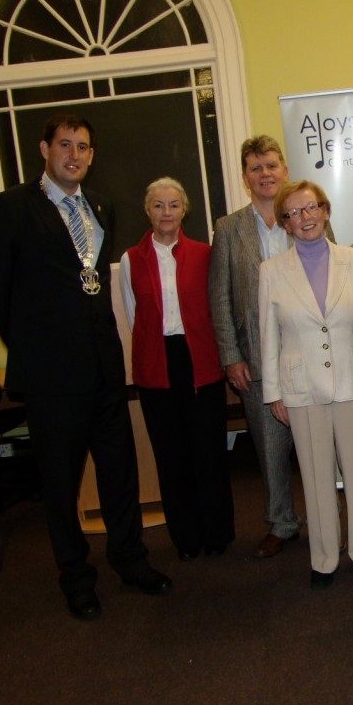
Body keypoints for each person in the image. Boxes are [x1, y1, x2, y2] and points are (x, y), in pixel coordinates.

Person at [0, 112, 172, 621]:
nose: (75, 155)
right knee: (61, 485)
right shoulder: (12, 208)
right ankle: (76, 577)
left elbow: (92, 284)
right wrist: (35, 342)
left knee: (120, 474)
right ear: (45, 149)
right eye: (65, 145)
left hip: (104, 369)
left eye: (84, 147)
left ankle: (130, 560)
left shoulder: (100, 206)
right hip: (50, 379)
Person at [259, 180, 353, 589]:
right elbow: (268, 337)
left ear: (325, 211)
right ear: (285, 225)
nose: (304, 218)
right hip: (301, 389)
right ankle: (324, 558)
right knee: (314, 477)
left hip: (350, 382)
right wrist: (274, 392)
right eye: (293, 213)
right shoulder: (271, 273)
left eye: (310, 208)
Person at [119, 177, 235, 562]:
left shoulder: (206, 253)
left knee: (209, 453)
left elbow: (218, 305)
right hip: (157, 365)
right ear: (147, 211)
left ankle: (217, 533)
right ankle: (186, 539)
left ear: (184, 210)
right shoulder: (130, 260)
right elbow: (135, 314)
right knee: (171, 457)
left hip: (201, 361)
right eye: (158, 205)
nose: (166, 212)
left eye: (173, 205)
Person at [209, 136, 306, 558]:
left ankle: (324, 517)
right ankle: (283, 522)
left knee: (318, 446)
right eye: (255, 167)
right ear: (245, 176)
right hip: (257, 360)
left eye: (271, 165)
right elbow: (220, 296)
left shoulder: (305, 214)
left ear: (284, 169)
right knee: (270, 451)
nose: (265, 174)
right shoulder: (229, 228)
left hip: (307, 355)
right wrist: (230, 356)